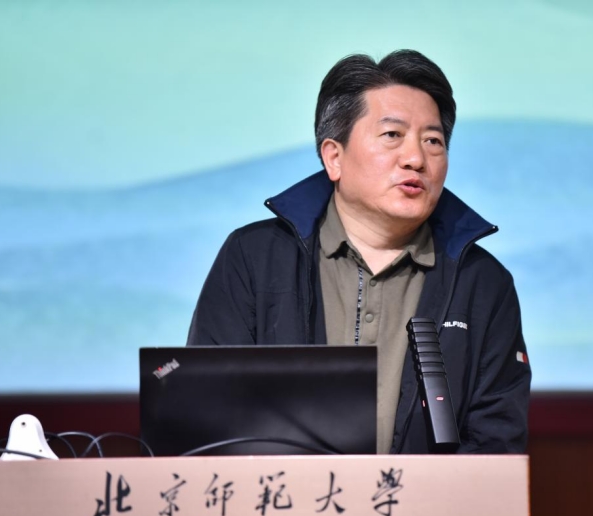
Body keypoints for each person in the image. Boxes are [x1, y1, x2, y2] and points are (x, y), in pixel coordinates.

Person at [188, 49, 531, 454]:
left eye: (433, 141)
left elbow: (497, 444)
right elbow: (207, 419)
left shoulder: (483, 282)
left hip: (428, 498)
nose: (416, 159)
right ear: (334, 157)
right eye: (392, 135)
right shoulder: (254, 259)